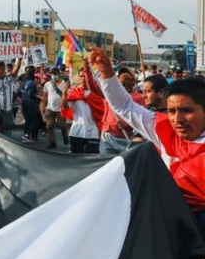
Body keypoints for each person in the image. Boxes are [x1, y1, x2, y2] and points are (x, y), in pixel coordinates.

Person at [90, 46, 205, 231]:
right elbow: (125, 106)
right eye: (172, 111)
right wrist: (107, 74)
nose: (177, 119)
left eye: (187, 110)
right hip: (166, 230)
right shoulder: (164, 129)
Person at [62, 63, 104, 154]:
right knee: (75, 160)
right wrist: (64, 95)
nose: (83, 79)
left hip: (93, 132)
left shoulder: (96, 94)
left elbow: (102, 113)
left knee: (91, 159)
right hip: (77, 132)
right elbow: (66, 108)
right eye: (81, 76)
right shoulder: (74, 93)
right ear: (78, 77)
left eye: (85, 76)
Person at [0, 57, 22, 135]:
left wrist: (19, 58)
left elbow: (16, 69)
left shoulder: (8, 78)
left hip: (7, 111)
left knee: (7, 133)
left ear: (3, 70)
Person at [40, 67, 69, 149]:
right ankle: (52, 142)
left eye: (55, 74)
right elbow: (45, 96)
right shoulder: (47, 84)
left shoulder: (64, 84)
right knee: (49, 126)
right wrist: (43, 105)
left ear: (58, 74)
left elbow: (67, 96)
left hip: (61, 109)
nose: (53, 75)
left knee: (63, 125)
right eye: (52, 74)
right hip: (50, 108)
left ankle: (65, 135)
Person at [20, 66, 42, 143]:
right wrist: (38, 96)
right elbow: (30, 94)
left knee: (27, 120)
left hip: (23, 103)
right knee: (34, 120)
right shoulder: (32, 83)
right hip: (30, 103)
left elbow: (20, 93)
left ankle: (26, 136)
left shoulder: (23, 82)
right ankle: (26, 135)